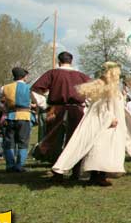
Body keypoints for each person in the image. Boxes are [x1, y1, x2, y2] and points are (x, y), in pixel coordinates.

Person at [53, 62, 131, 186]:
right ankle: (97, 176)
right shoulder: (105, 89)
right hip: (107, 124)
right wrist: (110, 118)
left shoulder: (111, 88)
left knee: (103, 149)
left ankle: (99, 175)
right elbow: (100, 108)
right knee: (101, 149)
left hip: (112, 124)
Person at [30, 51, 92, 181]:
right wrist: (87, 106)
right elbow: (93, 94)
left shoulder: (52, 73)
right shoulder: (82, 76)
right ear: (71, 61)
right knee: (76, 141)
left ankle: (58, 173)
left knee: (55, 141)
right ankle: (75, 172)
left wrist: (43, 105)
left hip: (56, 110)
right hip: (77, 110)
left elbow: (35, 89)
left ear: (59, 61)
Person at [0, 67, 36, 172]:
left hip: (10, 116)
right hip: (24, 117)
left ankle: (10, 165)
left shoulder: (5, 87)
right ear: (24, 76)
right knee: (23, 141)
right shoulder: (29, 88)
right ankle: (19, 166)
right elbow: (40, 102)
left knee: (9, 141)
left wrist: (2, 107)